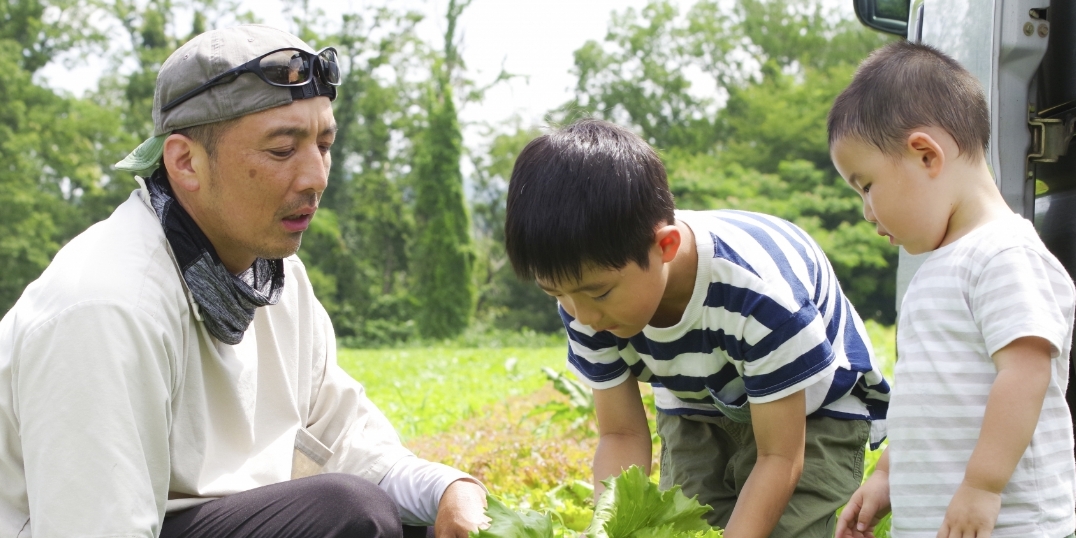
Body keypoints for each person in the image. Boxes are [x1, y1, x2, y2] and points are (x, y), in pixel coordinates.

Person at [0, 25, 488, 538]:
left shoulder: (279, 280)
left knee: (409, 520)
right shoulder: (109, 307)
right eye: (282, 150)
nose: (316, 176)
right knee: (348, 515)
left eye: (324, 143)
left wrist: (447, 491)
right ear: (185, 162)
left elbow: (352, 445)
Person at [503, 118, 891, 537]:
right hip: (698, 401)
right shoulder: (584, 297)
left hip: (813, 410)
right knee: (687, 527)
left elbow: (780, 458)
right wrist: (608, 529)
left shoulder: (760, 299)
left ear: (665, 246)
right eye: (555, 294)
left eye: (597, 294)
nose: (582, 316)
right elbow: (620, 433)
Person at [831, 41, 1076, 538]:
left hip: (1012, 524)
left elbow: (1026, 375)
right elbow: (928, 398)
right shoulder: (940, 267)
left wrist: (983, 486)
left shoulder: (1004, 254)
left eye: (866, 186)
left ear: (926, 155)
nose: (867, 212)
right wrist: (886, 475)